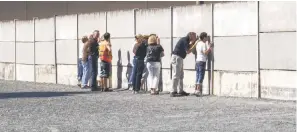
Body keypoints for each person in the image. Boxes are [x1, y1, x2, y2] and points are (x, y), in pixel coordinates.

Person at [170, 32, 197, 97]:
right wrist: (195, 44)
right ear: (190, 35)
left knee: (181, 75)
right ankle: (173, 91)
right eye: (194, 36)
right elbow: (188, 51)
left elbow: (188, 47)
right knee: (176, 74)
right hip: (177, 57)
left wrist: (193, 43)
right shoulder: (185, 40)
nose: (195, 38)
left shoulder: (186, 40)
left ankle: (180, 90)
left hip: (179, 58)